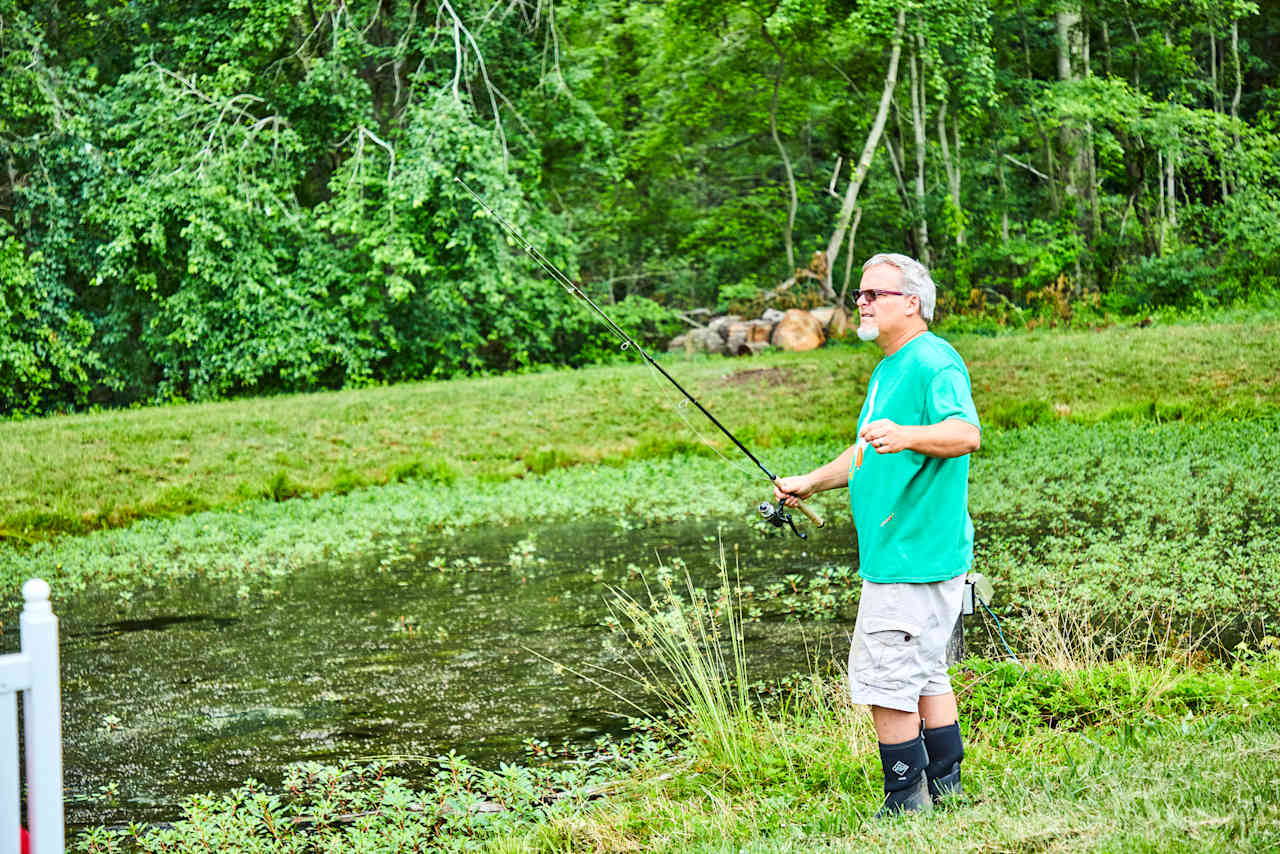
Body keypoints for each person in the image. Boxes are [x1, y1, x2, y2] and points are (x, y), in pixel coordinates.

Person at [774, 252, 980, 816]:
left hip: (913, 556)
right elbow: (867, 450)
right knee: (926, 674)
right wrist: (811, 483)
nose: (860, 303)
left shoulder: (934, 362)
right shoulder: (889, 366)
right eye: (860, 294)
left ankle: (905, 805)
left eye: (873, 294)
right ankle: (946, 789)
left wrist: (909, 434)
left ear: (910, 302)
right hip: (910, 554)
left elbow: (965, 433)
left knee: (884, 680)